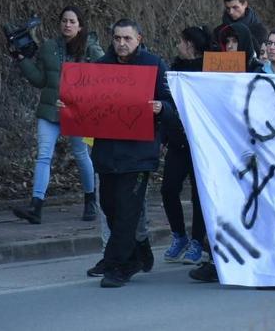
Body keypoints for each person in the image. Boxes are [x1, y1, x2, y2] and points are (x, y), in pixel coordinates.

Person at [85, 19, 174, 287]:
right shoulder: (100, 68)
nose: (122, 44)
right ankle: (138, 249)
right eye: (117, 38)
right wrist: (68, 103)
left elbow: (172, 102)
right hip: (107, 152)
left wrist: (162, 107)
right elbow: (87, 104)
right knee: (110, 208)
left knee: (127, 210)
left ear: (139, 39)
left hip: (138, 154)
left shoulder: (154, 65)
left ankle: (118, 266)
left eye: (127, 39)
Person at [9, 6, 102, 225]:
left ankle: (90, 200)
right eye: (64, 21)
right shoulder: (49, 47)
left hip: (78, 111)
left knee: (81, 154)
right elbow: (40, 80)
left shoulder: (91, 48)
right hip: (50, 109)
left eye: (72, 21)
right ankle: (36, 205)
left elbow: (102, 78)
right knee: (43, 155)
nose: (67, 25)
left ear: (80, 25)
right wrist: (22, 60)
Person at [161, 27, 210, 266]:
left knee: (198, 194)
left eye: (181, 41)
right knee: (168, 189)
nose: (178, 45)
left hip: (200, 143)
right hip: (177, 141)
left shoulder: (208, 70)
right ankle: (179, 235)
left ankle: (197, 242)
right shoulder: (174, 69)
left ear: (191, 44)